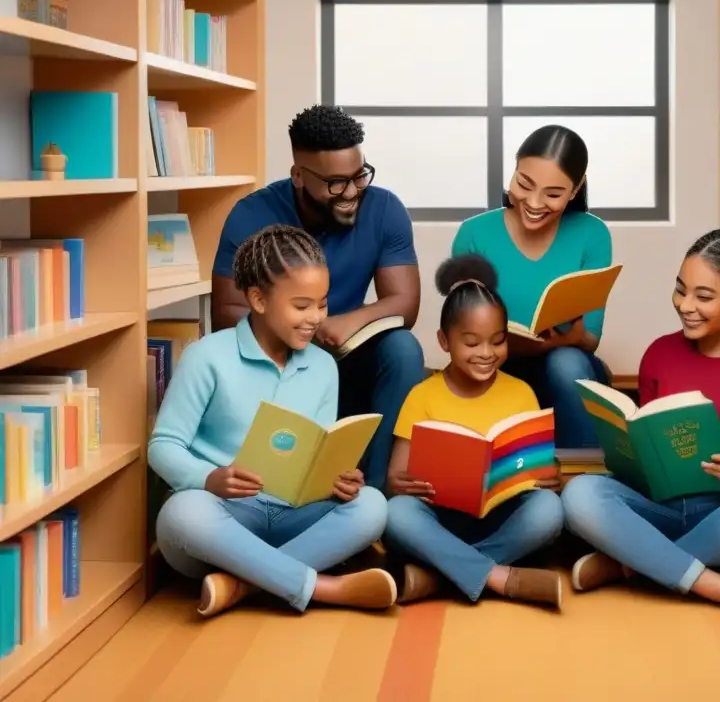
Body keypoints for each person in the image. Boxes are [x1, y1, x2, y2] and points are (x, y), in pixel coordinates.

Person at [560, 229, 720, 622]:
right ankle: (716, 585)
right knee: (580, 495)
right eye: (680, 290)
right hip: (657, 505)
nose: (686, 305)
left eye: (704, 297)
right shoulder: (660, 353)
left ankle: (628, 566)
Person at [151, 225, 396, 618]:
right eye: (301, 306)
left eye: (322, 304)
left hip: (292, 517)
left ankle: (241, 584)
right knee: (181, 514)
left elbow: (315, 450)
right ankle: (322, 587)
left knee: (371, 506)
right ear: (258, 299)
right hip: (223, 517)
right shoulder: (207, 356)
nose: (315, 318)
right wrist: (210, 478)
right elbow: (163, 445)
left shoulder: (322, 366)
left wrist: (337, 479)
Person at [210, 105, 425, 490]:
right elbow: (227, 313)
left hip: (346, 352)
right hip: (279, 356)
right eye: (336, 183)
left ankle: (378, 494)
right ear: (298, 176)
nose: (352, 192)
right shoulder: (251, 214)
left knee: (403, 348)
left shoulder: (384, 208)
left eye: (360, 176)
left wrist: (345, 321)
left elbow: (404, 303)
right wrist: (300, 332)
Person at [383, 253, 565, 608]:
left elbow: (541, 469)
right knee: (396, 514)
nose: (487, 353)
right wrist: (401, 482)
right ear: (444, 340)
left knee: (549, 511)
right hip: (441, 519)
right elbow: (394, 477)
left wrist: (550, 477)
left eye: (497, 341)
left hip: (501, 519)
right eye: (472, 342)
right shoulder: (422, 395)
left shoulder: (521, 392)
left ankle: (440, 575)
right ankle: (495, 575)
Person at [451, 125, 612, 451]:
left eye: (553, 194)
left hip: (567, 367)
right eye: (524, 184)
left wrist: (571, 338)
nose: (535, 203)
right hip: (493, 362)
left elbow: (591, 338)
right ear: (513, 171)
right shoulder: (474, 233)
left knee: (564, 362)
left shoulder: (592, 234)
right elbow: (461, 328)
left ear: (575, 189)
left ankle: (585, 479)